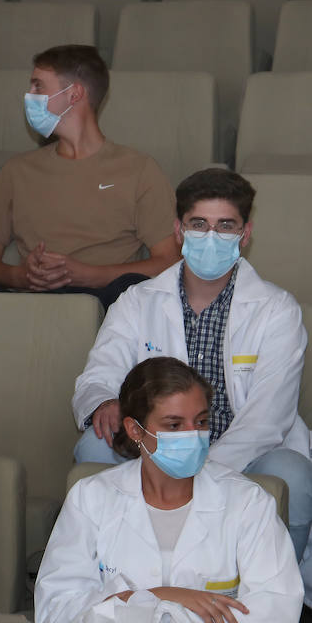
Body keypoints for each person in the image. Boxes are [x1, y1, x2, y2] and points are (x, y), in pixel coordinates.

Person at [34, 357, 302, 623]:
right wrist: (166, 597)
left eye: (199, 422)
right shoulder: (92, 498)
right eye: (174, 424)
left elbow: (277, 615)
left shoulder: (246, 503)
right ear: (136, 430)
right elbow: (56, 609)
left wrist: (134, 607)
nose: (193, 437)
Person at [72, 169, 312, 579]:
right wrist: (103, 400)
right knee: (92, 449)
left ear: (246, 233)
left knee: (292, 474)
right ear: (178, 230)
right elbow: (98, 373)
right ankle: (111, 580)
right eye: (199, 224)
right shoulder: (138, 300)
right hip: (156, 444)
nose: (211, 236)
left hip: (246, 451)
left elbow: (266, 420)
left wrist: (199, 473)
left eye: (226, 226)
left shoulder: (277, 310)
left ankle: (277, 597)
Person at [0, 44, 179, 308]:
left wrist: (88, 275)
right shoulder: (18, 170)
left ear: (74, 94)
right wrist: (19, 276)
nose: (29, 95)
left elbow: (169, 261)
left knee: (126, 289)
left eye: (38, 87)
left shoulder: (139, 169)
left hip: (104, 300)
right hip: (31, 300)